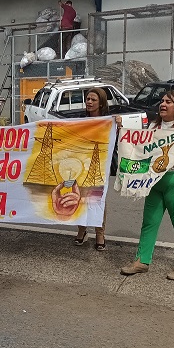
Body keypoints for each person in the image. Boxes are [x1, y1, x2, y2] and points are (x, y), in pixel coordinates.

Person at [120, 90, 174, 280]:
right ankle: (142, 261)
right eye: (162, 101)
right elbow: (141, 148)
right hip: (155, 180)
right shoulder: (154, 126)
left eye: (168, 102)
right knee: (149, 222)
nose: (163, 104)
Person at [73, 88, 122, 251]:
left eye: (93, 99)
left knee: (97, 197)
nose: (89, 102)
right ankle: (82, 229)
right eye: (87, 99)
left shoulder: (108, 121)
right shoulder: (80, 119)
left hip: (100, 164)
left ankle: (100, 233)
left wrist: (118, 124)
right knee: (80, 197)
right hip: (81, 163)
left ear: (101, 103)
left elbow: (117, 139)